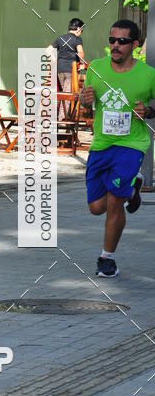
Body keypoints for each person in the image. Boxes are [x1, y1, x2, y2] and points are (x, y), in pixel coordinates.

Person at [79, 19, 155, 277]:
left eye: (122, 41)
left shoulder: (148, 74)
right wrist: (83, 99)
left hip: (131, 144)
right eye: (112, 40)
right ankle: (133, 187)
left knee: (113, 202)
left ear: (134, 45)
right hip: (101, 145)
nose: (115, 46)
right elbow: (85, 103)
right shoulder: (96, 69)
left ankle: (106, 258)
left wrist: (149, 111)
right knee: (96, 208)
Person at [52, 19, 87, 120]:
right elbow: (80, 52)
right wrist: (81, 63)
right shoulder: (77, 39)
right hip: (70, 70)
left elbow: (48, 51)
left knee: (62, 94)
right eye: (82, 30)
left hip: (59, 70)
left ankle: (60, 118)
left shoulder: (60, 38)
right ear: (78, 29)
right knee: (68, 96)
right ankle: (62, 120)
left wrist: (55, 62)